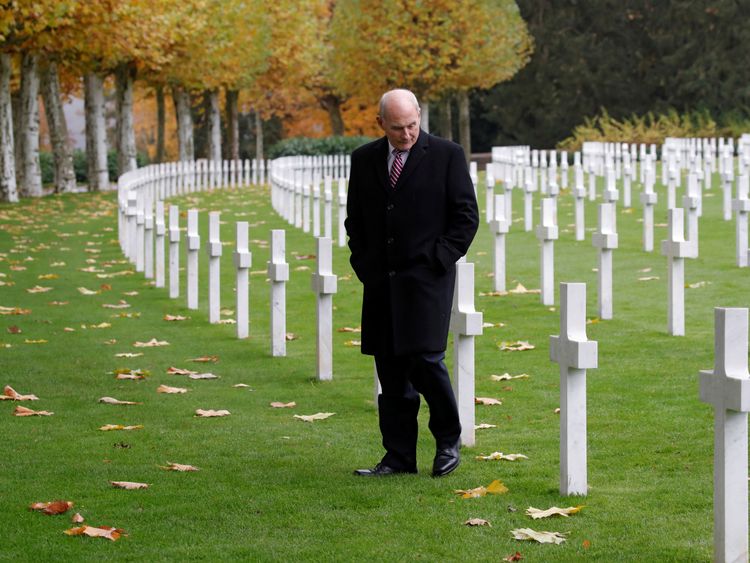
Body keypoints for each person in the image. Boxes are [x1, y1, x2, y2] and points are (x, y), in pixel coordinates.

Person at [345, 89, 479, 477]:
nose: (406, 134)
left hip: (426, 281)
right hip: (382, 283)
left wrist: (437, 259)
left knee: (425, 362)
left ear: (419, 116)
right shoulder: (364, 159)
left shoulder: (446, 155)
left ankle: (447, 441)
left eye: (412, 125)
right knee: (390, 371)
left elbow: (465, 217)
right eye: (398, 128)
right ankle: (399, 457)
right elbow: (356, 220)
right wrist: (365, 265)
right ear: (380, 124)